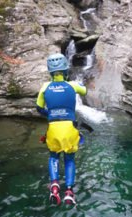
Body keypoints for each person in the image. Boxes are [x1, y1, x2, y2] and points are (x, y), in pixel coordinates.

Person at [36, 53, 87, 205]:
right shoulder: (72, 85)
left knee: (54, 157)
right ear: (65, 70)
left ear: (50, 71)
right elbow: (84, 91)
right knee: (69, 160)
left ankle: (54, 186)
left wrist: (50, 113)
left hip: (53, 128)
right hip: (69, 127)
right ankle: (69, 192)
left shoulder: (45, 87)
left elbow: (39, 108)